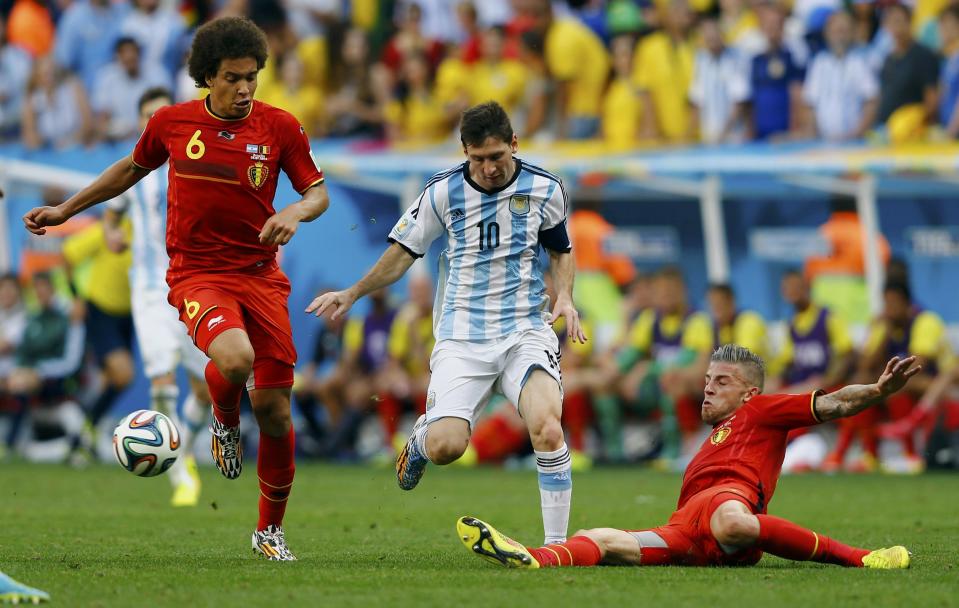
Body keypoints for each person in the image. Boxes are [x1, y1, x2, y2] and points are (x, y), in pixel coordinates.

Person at [23, 16, 330, 561]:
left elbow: (317, 194)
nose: (244, 89)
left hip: (261, 276)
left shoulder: (280, 127)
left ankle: (268, 531)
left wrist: (296, 212)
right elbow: (127, 171)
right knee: (235, 360)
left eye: (252, 77)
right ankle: (224, 421)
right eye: (233, 78)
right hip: (198, 273)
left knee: (278, 411)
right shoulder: (171, 123)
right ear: (206, 76)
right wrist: (65, 210)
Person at [309, 101, 586, 546]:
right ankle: (421, 439)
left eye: (496, 156)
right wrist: (353, 292)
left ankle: (556, 548)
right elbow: (403, 252)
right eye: (477, 159)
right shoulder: (442, 193)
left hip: (525, 330)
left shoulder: (545, 188)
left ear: (513, 144)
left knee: (548, 427)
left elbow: (560, 249)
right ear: (464, 152)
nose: (489, 168)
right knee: (448, 447)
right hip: (462, 338)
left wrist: (567, 295)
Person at [457, 344, 917, 571]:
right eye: (708, 378)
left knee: (732, 522)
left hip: (729, 506)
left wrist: (876, 392)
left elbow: (836, 403)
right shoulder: (716, 434)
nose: (708, 385)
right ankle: (534, 557)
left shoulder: (761, 409)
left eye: (722, 380)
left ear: (749, 392)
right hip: (685, 528)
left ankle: (861, 559)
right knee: (600, 538)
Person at [101, 87, 212, 507]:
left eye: (160, 114)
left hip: (193, 287)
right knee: (162, 376)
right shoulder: (136, 171)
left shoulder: (196, 164)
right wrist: (112, 233)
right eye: (147, 115)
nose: (154, 122)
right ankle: (179, 471)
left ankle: (183, 450)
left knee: (206, 389)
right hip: (150, 290)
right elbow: (113, 211)